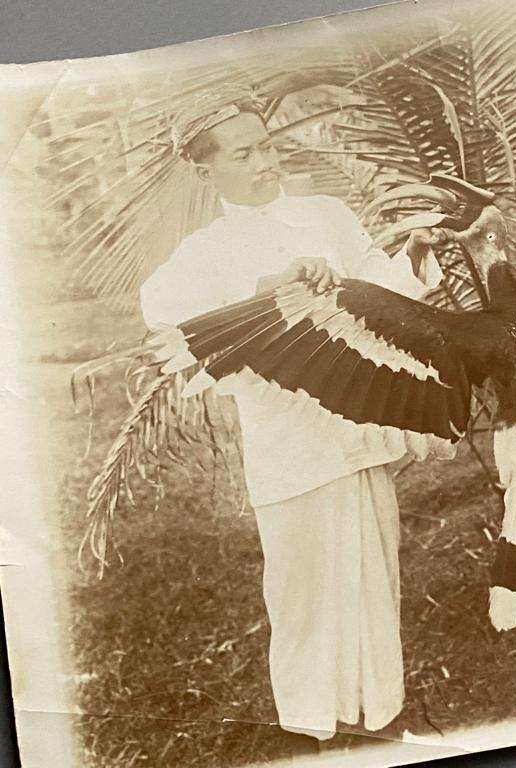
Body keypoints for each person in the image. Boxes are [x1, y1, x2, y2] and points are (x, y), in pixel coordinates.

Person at [140, 85, 443, 744]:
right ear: (205, 168)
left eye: (267, 146)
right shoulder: (206, 253)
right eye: (244, 154)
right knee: (304, 589)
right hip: (291, 445)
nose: (263, 164)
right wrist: (263, 293)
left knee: (372, 574)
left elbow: (379, 288)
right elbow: (168, 316)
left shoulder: (325, 215)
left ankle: (380, 718)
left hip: (358, 426)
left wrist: (415, 255)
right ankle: (313, 729)